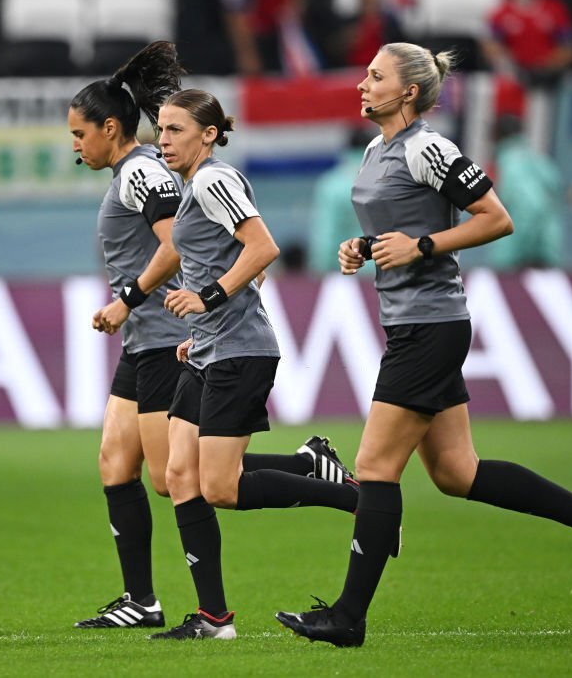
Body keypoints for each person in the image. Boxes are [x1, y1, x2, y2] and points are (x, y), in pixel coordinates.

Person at [275, 42, 572, 648]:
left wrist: (423, 247)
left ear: (409, 92)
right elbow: (401, 227)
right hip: (414, 322)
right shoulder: (375, 150)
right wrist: (364, 249)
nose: (363, 83)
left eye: (376, 75)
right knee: (455, 471)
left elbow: (497, 218)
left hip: (431, 324)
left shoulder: (430, 148)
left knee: (373, 468)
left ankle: (348, 617)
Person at [67, 42, 352, 631]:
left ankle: (303, 470)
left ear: (110, 126)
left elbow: (179, 244)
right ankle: (145, 601)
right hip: (153, 337)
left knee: (183, 476)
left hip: (166, 333)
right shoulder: (146, 169)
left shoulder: (147, 172)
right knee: (122, 465)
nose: (75, 146)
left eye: (79, 133)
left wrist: (131, 298)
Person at [148, 88, 361, 641]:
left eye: (175, 130)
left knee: (219, 487)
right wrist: (200, 329)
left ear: (208, 135)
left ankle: (346, 493)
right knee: (177, 476)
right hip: (210, 348)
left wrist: (209, 301)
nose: (162, 139)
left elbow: (262, 248)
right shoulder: (195, 185)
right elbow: (244, 263)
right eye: (160, 129)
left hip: (242, 352)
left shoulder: (216, 179)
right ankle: (214, 618)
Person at [487, 113, 563, 269]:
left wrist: (520, 255)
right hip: (546, 250)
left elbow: (530, 208)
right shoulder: (539, 159)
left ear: (498, 136)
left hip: (523, 257)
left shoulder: (510, 164)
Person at [309, 126, 377, 274]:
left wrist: (320, 270)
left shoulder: (331, 184)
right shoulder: (391, 179)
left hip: (346, 272)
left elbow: (326, 235)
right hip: (388, 270)